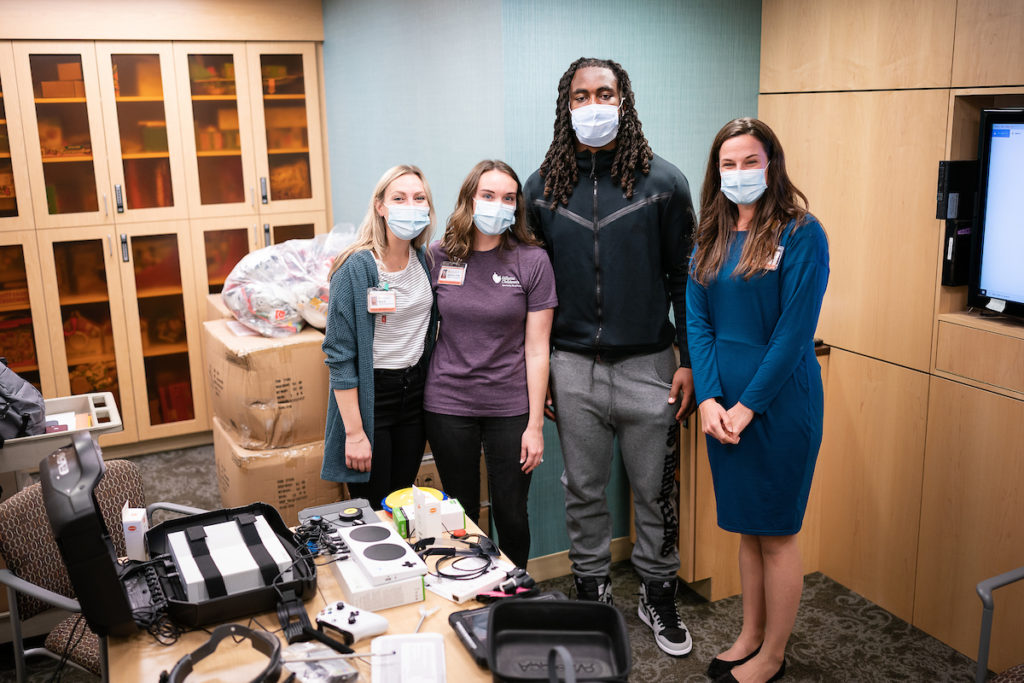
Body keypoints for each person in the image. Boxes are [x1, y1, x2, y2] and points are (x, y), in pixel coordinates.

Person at [523, 57, 696, 657]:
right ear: (565, 105)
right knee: (584, 488)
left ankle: (657, 590)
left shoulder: (664, 184)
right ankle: (591, 587)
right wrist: (539, 379)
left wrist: (689, 359)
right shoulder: (541, 188)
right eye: (580, 95)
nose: (592, 104)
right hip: (571, 365)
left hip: (650, 363)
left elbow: (684, 278)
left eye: (604, 93)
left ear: (624, 101)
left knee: (654, 489)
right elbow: (534, 294)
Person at [686, 118, 829, 683]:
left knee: (777, 532)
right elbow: (697, 322)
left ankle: (773, 653)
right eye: (729, 163)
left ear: (772, 164)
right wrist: (709, 399)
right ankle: (749, 634)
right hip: (723, 407)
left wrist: (747, 407)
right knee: (748, 528)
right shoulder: (711, 233)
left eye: (750, 162)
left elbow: (794, 334)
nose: (739, 173)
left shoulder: (801, 233)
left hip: (778, 407)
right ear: (716, 170)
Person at [424, 160, 556, 569]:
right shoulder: (438, 255)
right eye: (488, 195)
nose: (498, 205)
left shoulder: (532, 261)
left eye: (508, 198)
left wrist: (535, 426)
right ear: (469, 199)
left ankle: (512, 598)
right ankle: (470, 593)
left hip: (510, 407)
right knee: (460, 514)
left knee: (511, 513)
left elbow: (538, 349)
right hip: (448, 404)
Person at [321, 165, 438, 509]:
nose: (410, 205)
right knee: (372, 508)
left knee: (401, 500)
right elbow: (339, 357)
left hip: (414, 396)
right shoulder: (355, 268)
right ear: (380, 206)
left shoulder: (426, 260)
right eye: (398, 198)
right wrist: (355, 434)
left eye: (419, 198)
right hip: (373, 398)